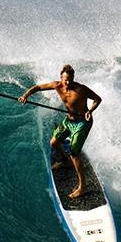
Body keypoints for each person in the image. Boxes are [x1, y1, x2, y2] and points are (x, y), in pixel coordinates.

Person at [18, 64, 102, 199]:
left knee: (74, 153)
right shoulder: (57, 86)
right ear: (61, 78)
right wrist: (25, 95)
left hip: (82, 123)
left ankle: (83, 187)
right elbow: (38, 87)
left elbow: (98, 99)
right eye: (65, 79)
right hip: (69, 121)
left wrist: (90, 111)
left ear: (74, 78)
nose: (67, 82)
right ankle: (64, 161)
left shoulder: (81, 89)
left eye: (70, 79)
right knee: (54, 143)